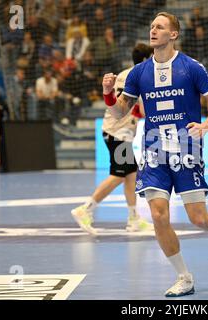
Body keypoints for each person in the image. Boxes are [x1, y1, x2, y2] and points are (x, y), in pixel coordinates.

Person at [101, 12, 208, 297]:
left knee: (199, 218)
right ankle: (184, 277)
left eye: (160, 27)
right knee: (158, 214)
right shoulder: (139, 73)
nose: (153, 30)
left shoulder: (191, 67)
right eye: (152, 26)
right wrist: (108, 93)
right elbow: (119, 112)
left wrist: (206, 125)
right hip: (154, 149)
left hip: (186, 147)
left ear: (173, 34)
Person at [71, 43, 155, 234]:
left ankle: (134, 219)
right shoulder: (141, 77)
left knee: (131, 175)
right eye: (152, 57)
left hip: (117, 131)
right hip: (118, 133)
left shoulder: (127, 73)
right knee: (119, 175)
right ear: (145, 60)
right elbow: (143, 109)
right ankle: (85, 209)